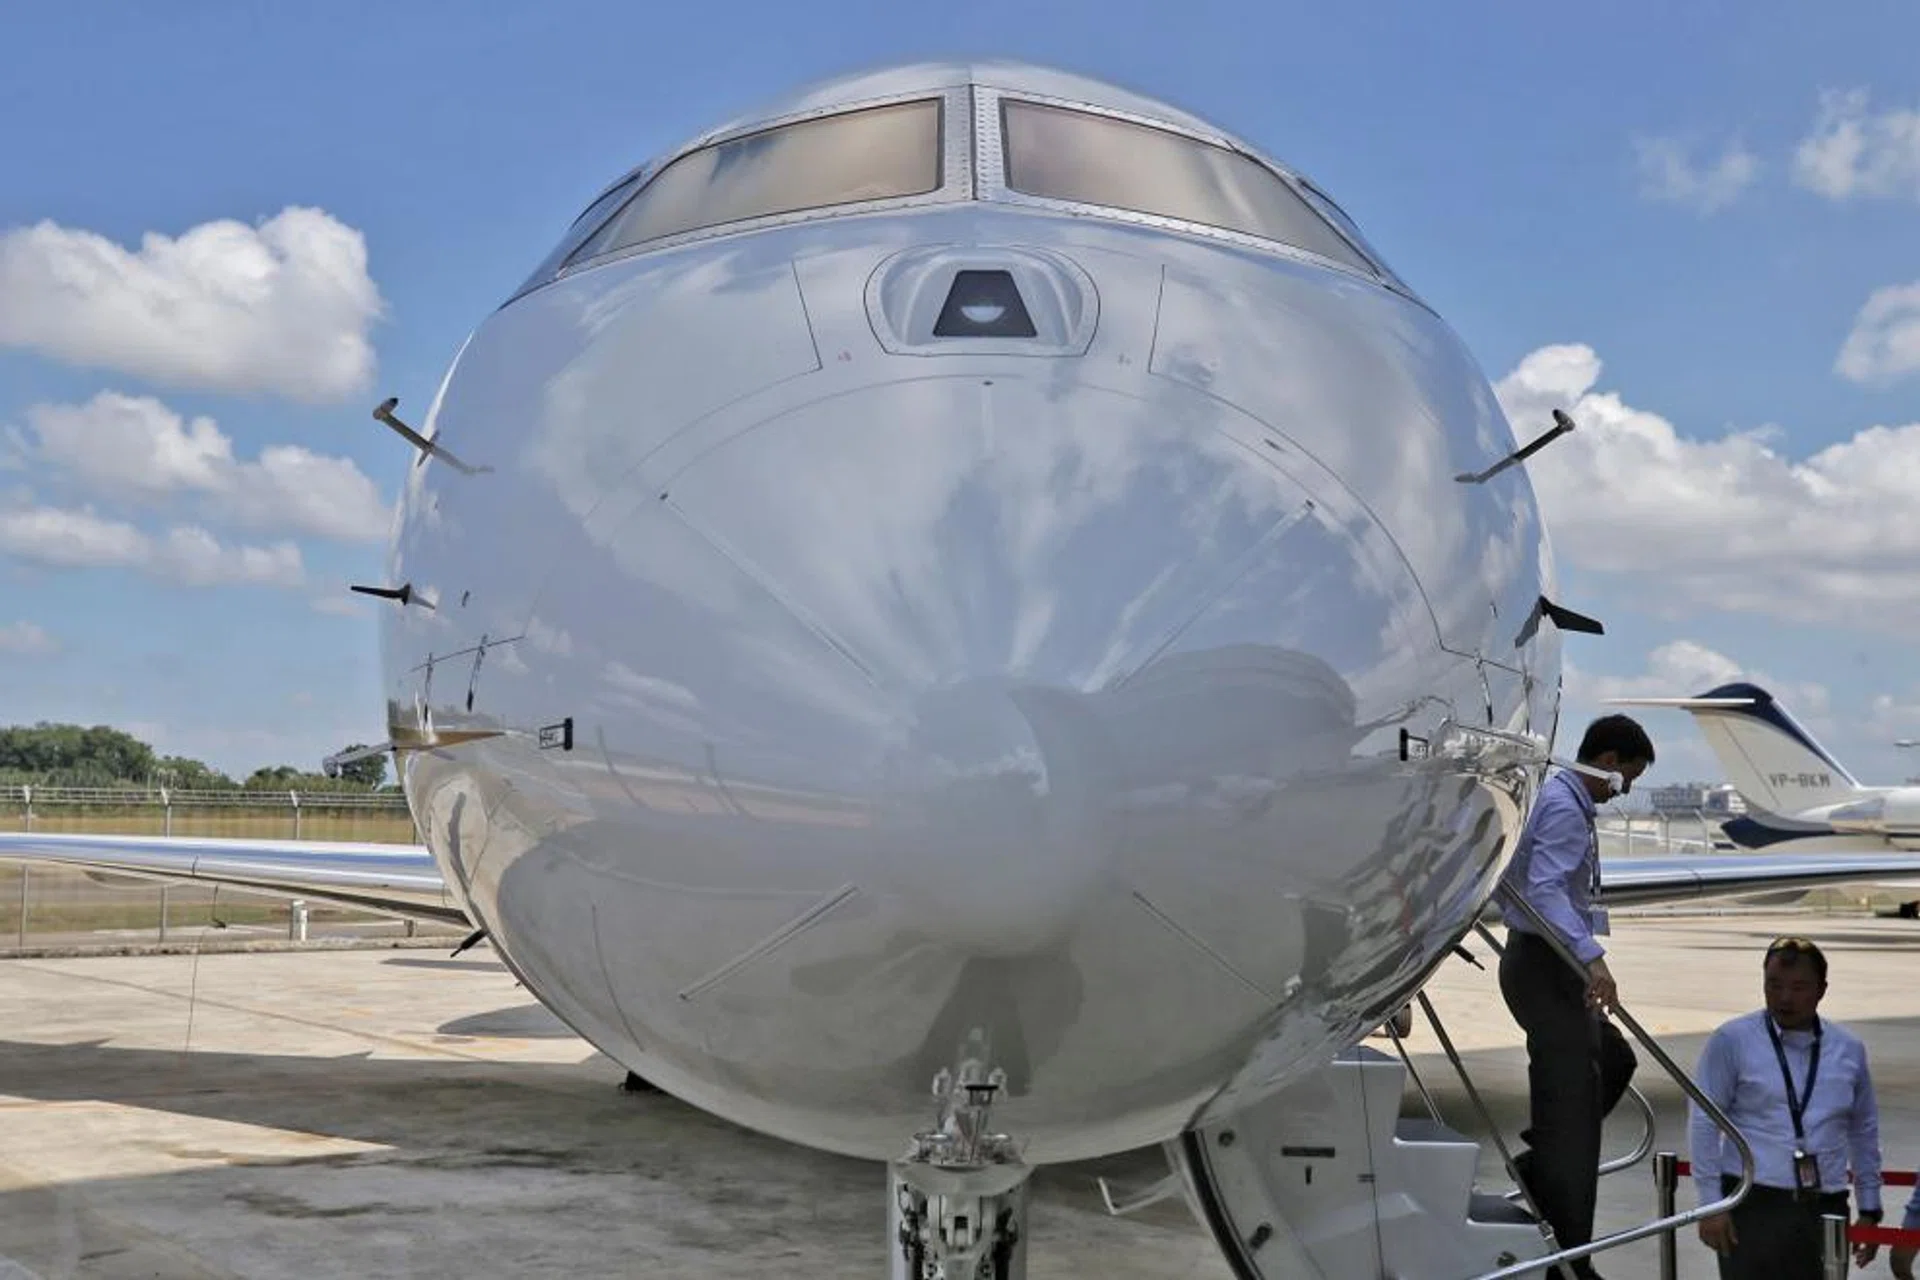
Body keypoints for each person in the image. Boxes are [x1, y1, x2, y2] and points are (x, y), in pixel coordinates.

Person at [1494, 713, 1653, 1279]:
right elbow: (1543, 890)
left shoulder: (1568, 801)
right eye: (1626, 778)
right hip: (1545, 964)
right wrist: (1593, 960)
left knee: (1614, 1059)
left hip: (1549, 964)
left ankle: (1540, 1167)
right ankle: (1567, 1258)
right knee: (1574, 1120)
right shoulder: (1564, 806)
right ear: (1607, 764)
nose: (1625, 791)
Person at [1689, 937, 1883, 1278]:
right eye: (1773, 985)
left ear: (1822, 990)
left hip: (1824, 1203)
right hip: (1751, 1202)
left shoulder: (1848, 1049)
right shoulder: (1733, 1041)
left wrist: (1869, 1206)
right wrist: (1710, 1203)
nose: (1784, 998)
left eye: (1798, 987)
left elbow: (1863, 1129)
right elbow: (1704, 1120)